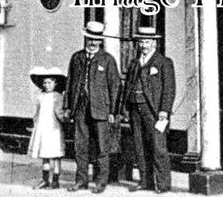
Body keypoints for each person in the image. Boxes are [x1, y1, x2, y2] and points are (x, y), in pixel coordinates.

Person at [64, 20, 120, 193]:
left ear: (100, 40)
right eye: (90, 38)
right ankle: (81, 180)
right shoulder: (77, 58)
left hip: (101, 109)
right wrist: (68, 107)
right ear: (85, 38)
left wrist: (113, 112)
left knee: (103, 148)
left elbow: (115, 86)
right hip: (80, 107)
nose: (92, 42)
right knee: (80, 146)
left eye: (96, 39)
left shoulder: (107, 60)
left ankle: (101, 182)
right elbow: (70, 83)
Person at [122, 27, 175, 194]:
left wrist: (165, 110)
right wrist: (125, 107)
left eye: (147, 41)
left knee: (158, 148)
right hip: (135, 109)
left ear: (154, 43)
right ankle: (145, 182)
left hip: (153, 111)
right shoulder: (134, 63)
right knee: (139, 146)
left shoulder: (163, 62)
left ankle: (163, 185)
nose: (144, 45)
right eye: (141, 42)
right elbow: (128, 86)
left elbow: (169, 89)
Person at [29, 66, 68, 189]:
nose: (46, 85)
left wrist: (65, 119)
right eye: (44, 83)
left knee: (56, 156)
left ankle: (55, 180)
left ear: (55, 83)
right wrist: (35, 122)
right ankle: (45, 179)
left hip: (54, 129)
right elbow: (37, 112)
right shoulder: (40, 96)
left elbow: (60, 113)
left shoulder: (58, 97)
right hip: (43, 129)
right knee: (45, 155)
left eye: (49, 82)